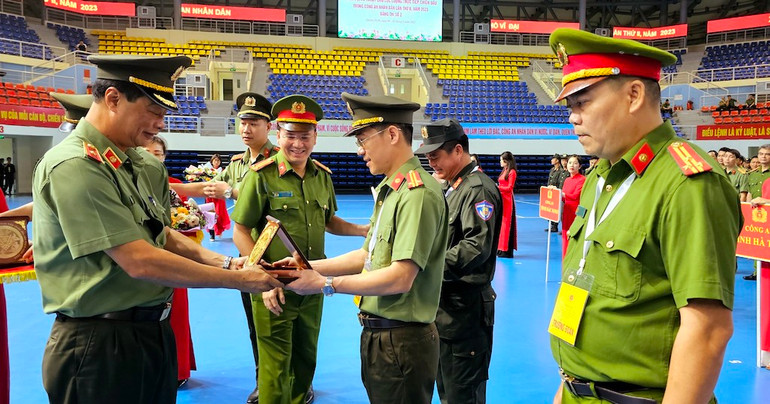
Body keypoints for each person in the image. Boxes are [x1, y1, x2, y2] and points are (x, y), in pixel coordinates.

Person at [32, 54, 283, 404]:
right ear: (113, 99)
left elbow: (160, 234)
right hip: (99, 343)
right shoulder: (77, 165)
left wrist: (225, 262)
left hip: (153, 333)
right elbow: (140, 261)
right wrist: (239, 281)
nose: (160, 124)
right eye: (153, 111)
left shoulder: (139, 163)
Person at [549, 28, 741, 403]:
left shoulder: (688, 184)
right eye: (570, 106)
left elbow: (708, 329)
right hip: (578, 389)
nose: (573, 117)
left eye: (582, 102)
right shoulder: (599, 176)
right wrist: (567, 386)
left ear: (634, 95)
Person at [285, 93, 448, 404]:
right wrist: (307, 267)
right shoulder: (391, 190)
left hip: (403, 339)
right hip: (381, 335)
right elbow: (366, 256)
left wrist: (324, 285)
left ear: (392, 134)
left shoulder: (416, 193)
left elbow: (401, 277)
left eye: (363, 139)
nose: (360, 150)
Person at [232, 94, 367, 404]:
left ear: (315, 137)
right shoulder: (261, 176)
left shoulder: (322, 177)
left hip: (313, 286)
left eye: (304, 136)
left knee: (305, 361)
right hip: (273, 286)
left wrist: (361, 230)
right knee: (274, 367)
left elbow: (329, 220)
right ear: (278, 135)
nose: (297, 143)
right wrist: (259, 276)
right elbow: (240, 229)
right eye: (290, 135)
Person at [171, 92, 278, 403]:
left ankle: (296, 381)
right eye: (242, 122)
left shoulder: (281, 160)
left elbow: (267, 198)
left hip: (277, 254)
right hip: (249, 256)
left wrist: (231, 190)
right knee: (256, 324)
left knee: (286, 325)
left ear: (267, 126)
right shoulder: (236, 163)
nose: (246, 128)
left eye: (253, 122)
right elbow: (205, 187)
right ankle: (264, 380)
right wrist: (161, 183)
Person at [417, 118, 501, 404]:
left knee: (462, 395)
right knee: (448, 390)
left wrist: (425, 266)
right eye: (427, 157)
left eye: (436, 156)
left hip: (465, 313)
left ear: (457, 150)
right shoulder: (453, 187)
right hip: (447, 311)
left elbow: (476, 247)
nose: (431, 163)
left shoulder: (477, 190)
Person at [142, 134, 198, 386]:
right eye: (147, 152)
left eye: (158, 153)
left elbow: (190, 225)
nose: (153, 157)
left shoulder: (173, 184)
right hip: (140, 261)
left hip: (173, 261)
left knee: (176, 314)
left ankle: (178, 370)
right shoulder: (129, 183)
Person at [560, 155, 585, 260]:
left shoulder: (582, 179)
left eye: (575, 163)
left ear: (579, 166)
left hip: (577, 212)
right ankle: (566, 258)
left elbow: (575, 196)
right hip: (566, 211)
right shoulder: (567, 180)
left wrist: (561, 193)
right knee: (565, 235)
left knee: (574, 236)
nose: (572, 165)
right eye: (570, 162)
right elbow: (564, 199)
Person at [205, 153, 231, 242]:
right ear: (212, 161)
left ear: (220, 162)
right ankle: (211, 234)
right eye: (215, 160)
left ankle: (219, 230)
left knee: (219, 213)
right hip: (209, 195)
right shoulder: (206, 171)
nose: (216, 162)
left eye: (218, 160)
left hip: (219, 196)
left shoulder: (223, 171)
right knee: (210, 213)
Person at [497, 151, 517, 258]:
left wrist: (498, 188)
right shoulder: (504, 170)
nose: (500, 162)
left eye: (501, 160)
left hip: (507, 200)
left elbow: (510, 188)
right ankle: (500, 248)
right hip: (502, 199)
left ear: (506, 161)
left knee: (506, 225)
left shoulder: (512, 172)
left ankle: (506, 250)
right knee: (501, 224)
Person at [546, 154, 564, 232]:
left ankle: (555, 226)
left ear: (557, 160)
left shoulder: (561, 171)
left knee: (557, 209)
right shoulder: (552, 170)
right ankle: (552, 225)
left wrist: (558, 191)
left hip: (556, 191)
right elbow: (549, 180)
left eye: (553, 159)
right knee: (550, 208)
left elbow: (560, 181)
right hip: (550, 191)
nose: (551, 160)